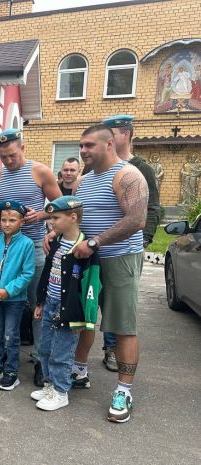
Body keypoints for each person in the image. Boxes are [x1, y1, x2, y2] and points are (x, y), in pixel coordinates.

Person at [71, 124, 148, 423]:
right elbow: (77, 218)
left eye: (89, 145)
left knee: (123, 326)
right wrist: (59, 233)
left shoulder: (127, 175)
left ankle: (124, 390)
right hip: (90, 261)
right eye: (81, 145)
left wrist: (96, 241)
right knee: (86, 317)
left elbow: (137, 220)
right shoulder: (84, 181)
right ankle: (79, 370)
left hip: (120, 259)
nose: (83, 150)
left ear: (109, 144)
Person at [0, 128, 62, 387]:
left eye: (12, 155)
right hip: (6, 251)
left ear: (23, 148)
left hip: (36, 249)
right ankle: (3, 360)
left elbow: (62, 207)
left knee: (39, 306)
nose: (8, 161)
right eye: (3, 157)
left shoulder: (40, 172)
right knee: (7, 301)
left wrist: (41, 215)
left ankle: (41, 360)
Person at [99, 114, 162, 371]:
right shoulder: (96, 166)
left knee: (119, 305)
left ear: (125, 134)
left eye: (110, 132)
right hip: (94, 248)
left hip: (124, 249)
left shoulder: (139, 168)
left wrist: (144, 239)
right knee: (97, 299)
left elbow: (153, 208)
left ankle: (113, 348)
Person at [32, 197, 101, 411]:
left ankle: (61, 392)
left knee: (61, 352)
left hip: (69, 309)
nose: (51, 222)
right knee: (45, 348)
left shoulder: (85, 249)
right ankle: (49, 385)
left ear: (73, 217)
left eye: (56, 218)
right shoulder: (55, 242)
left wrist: (85, 316)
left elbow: (91, 284)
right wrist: (41, 301)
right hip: (51, 302)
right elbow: (47, 272)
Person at [0, 200, 35, 391]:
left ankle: (11, 370)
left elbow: (27, 274)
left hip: (14, 299)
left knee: (11, 335)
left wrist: (8, 290)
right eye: (3, 220)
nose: (7, 224)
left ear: (21, 222)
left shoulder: (27, 244)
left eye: (12, 220)